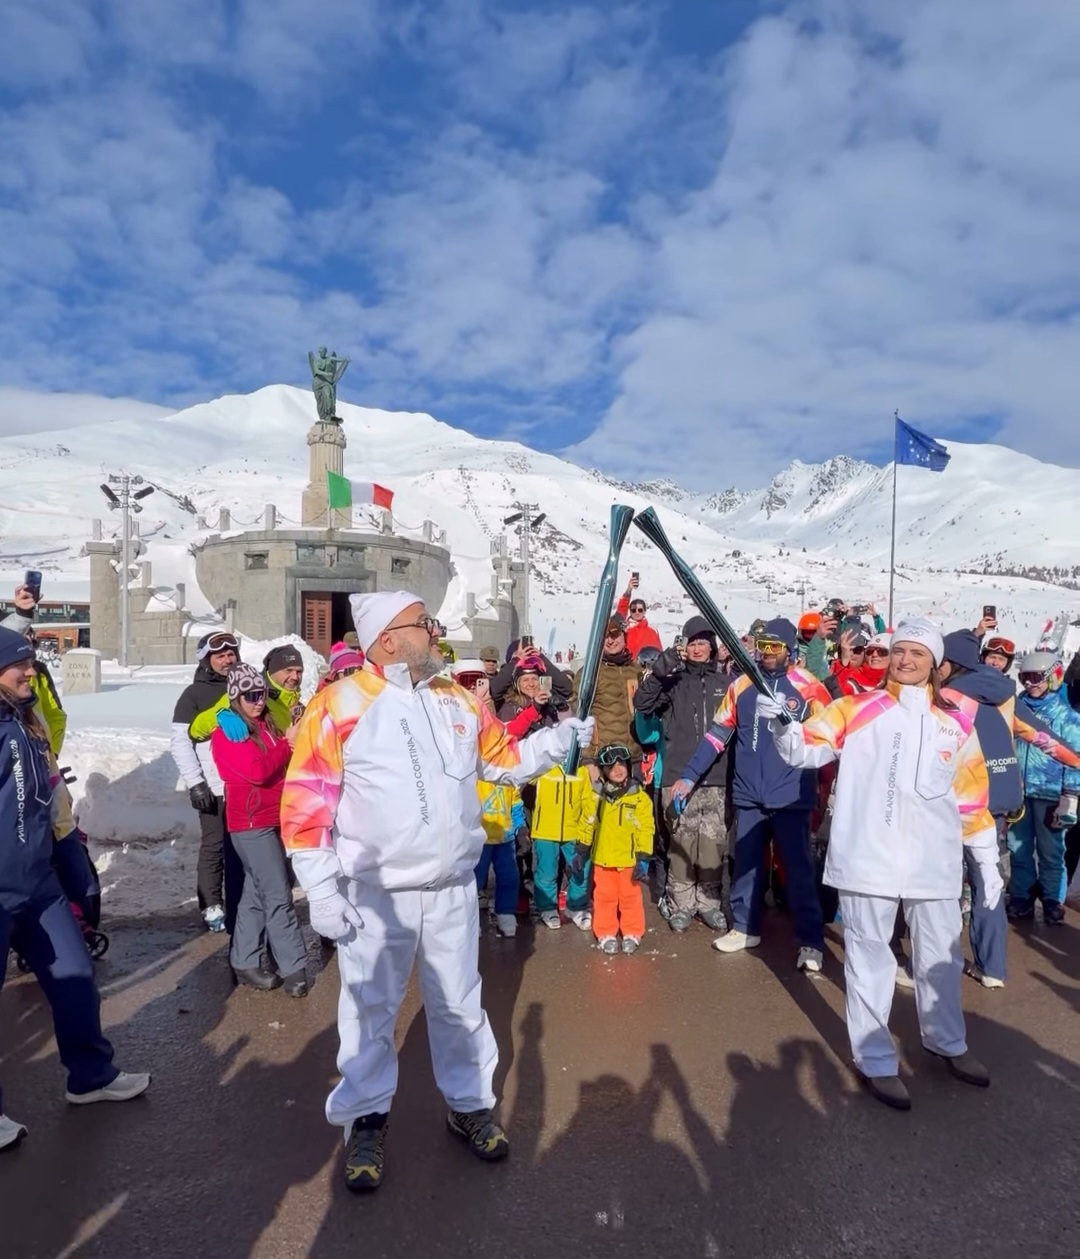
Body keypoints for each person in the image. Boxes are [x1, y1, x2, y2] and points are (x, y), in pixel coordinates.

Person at [280, 590, 593, 1193]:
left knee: (458, 1003)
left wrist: (555, 743)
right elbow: (306, 801)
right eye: (422, 624)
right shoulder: (338, 704)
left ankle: (469, 1104)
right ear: (387, 639)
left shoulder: (456, 698)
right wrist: (320, 886)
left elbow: (502, 759)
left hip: (452, 888)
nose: (435, 631)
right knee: (371, 1009)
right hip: (378, 896)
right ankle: (366, 1119)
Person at [759, 617, 996, 1109]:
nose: (906, 660)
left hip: (934, 862)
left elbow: (972, 798)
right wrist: (783, 727)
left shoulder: (956, 723)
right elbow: (806, 749)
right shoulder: (855, 708)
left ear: (936, 664)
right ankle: (875, 1060)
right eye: (899, 651)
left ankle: (947, 1041)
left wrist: (986, 861)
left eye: (917, 653)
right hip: (868, 857)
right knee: (870, 960)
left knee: (942, 958)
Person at [0, 627, 150, 1150]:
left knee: (75, 975)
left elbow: (46, 798)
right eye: (19, 665)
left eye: (30, 662)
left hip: (37, 882)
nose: (31, 672)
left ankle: (90, 1076)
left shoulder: (27, 721)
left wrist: (67, 858)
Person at [673, 618, 829, 972]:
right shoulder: (742, 685)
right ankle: (745, 928)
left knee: (798, 871)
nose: (767, 653)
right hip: (749, 794)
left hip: (791, 796)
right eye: (762, 646)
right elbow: (717, 735)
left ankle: (810, 941)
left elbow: (828, 738)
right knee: (745, 866)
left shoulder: (809, 687)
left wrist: (824, 786)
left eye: (775, 647)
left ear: (790, 650)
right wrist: (689, 776)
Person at [210, 663, 307, 995]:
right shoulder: (228, 732)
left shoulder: (265, 724)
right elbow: (257, 771)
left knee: (256, 893)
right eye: (250, 696)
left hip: (274, 817)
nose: (259, 701)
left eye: (261, 693)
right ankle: (295, 969)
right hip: (251, 824)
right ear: (236, 697)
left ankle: (244, 960)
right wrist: (286, 745)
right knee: (278, 894)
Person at [633, 616, 732, 933]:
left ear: (712, 648)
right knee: (682, 844)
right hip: (677, 777)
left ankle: (709, 904)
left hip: (716, 778)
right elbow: (642, 703)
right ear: (684, 647)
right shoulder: (673, 683)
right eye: (692, 643)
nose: (698, 648)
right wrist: (662, 668)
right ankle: (682, 904)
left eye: (703, 642)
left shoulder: (725, 685)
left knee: (712, 846)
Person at [169, 630, 244, 932]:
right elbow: (180, 742)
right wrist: (195, 782)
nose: (227, 660)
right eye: (220, 656)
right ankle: (211, 902)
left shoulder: (245, 686)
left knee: (244, 845)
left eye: (231, 654)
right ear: (206, 660)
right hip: (213, 785)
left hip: (244, 782)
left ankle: (243, 897)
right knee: (215, 845)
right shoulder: (193, 695)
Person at [1008, 651, 1080, 924]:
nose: (1029, 683)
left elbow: (1076, 760)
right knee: (1018, 848)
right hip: (1019, 793)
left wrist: (1070, 795)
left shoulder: (1066, 717)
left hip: (1050, 794)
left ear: (1053, 677)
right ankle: (1021, 895)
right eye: (1024, 678)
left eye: (1036, 677)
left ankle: (1052, 899)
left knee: (1052, 851)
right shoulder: (1015, 710)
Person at [576, 745, 654, 954]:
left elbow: (646, 828)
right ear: (604, 771)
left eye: (621, 765)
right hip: (604, 859)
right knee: (604, 898)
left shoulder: (639, 797)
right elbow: (587, 822)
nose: (618, 770)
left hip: (629, 860)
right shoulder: (597, 796)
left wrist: (643, 857)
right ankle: (606, 932)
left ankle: (632, 931)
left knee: (630, 898)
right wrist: (581, 849)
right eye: (611, 767)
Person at [579, 616, 643, 774]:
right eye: (606, 636)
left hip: (634, 756)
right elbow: (578, 714)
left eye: (615, 635)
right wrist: (588, 758)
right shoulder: (590, 672)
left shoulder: (636, 671)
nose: (610, 641)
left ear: (624, 637)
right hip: (602, 758)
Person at [474, 778, 525, 937]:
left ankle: (506, 913)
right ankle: (470, 918)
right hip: (481, 838)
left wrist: (520, 828)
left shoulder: (508, 776)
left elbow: (516, 803)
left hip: (505, 837)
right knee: (474, 880)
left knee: (509, 877)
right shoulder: (476, 776)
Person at [829, 631, 890, 698]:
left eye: (882, 652)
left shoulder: (895, 683)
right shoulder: (853, 681)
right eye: (870, 651)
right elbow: (839, 694)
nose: (874, 654)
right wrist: (845, 660)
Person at [616, 575, 663, 659]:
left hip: (644, 665)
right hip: (627, 665)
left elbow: (659, 654)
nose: (637, 612)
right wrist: (628, 590)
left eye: (640, 610)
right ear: (630, 611)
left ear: (644, 611)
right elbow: (621, 610)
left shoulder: (652, 631)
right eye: (633, 610)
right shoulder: (625, 629)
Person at [262, 644, 305, 731]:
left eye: (299, 672)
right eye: (288, 670)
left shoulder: (301, 709)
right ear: (272, 672)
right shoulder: (258, 704)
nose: (295, 677)